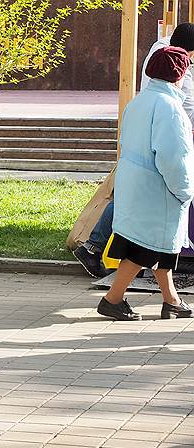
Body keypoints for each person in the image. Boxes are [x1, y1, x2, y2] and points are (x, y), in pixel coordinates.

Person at [75, 23, 194, 277]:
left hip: (141, 158)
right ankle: (96, 251)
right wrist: (184, 191)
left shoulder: (147, 94)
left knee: (132, 207)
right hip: (152, 160)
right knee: (140, 219)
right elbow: (172, 156)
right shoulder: (170, 94)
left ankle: (103, 262)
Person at [98, 46, 194, 321]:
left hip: (135, 183)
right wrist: (184, 190)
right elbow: (173, 157)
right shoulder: (170, 108)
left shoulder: (139, 102)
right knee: (146, 248)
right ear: (179, 74)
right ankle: (112, 299)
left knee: (154, 245)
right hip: (157, 188)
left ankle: (171, 300)